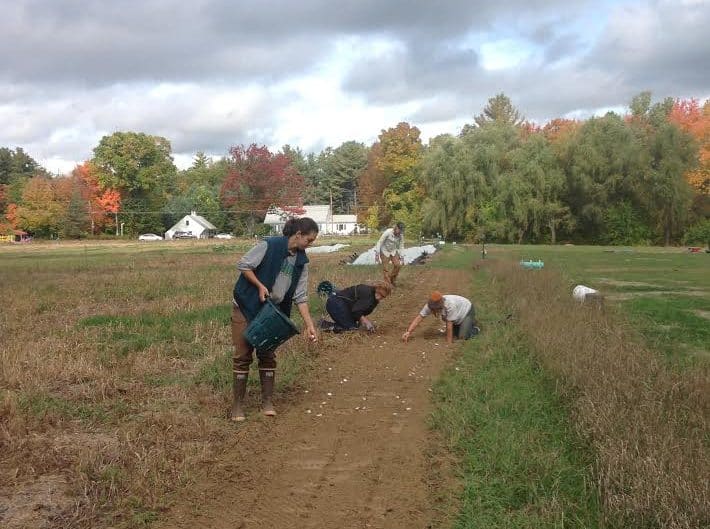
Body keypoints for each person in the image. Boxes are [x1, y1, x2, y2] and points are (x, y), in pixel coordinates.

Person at [230, 217, 319, 422]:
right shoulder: (269, 246)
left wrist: (310, 325)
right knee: (243, 354)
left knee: (267, 353)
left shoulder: (301, 262)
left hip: (271, 311)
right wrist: (260, 285)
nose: (310, 244)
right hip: (247, 304)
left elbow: (300, 296)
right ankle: (237, 406)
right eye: (309, 240)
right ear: (298, 235)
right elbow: (243, 265)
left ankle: (267, 402)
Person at [402, 291, 478, 344]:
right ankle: (464, 325)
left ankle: (475, 329)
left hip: (467, 311)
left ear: (440, 305)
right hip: (457, 316)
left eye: (436, 308)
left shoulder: (450, 305)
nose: (434, 310)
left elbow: (449, 326)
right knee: (454, 334)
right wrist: (409, 332)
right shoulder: (430, 305)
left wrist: (449, 343)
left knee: (462, 337)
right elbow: (419, 318)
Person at [320, 281, 392, 333]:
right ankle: (324, 325)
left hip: (342, 305)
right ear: (377, 288)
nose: (380, 297)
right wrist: (366, 321)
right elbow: (356, 311)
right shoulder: (368, 294)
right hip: (335, 303)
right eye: (380, 294)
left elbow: (359, 310)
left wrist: (362, 322)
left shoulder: (374, 299)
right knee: (351, 329)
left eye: (383, 297)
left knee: (355, 327)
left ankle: (342, 322)